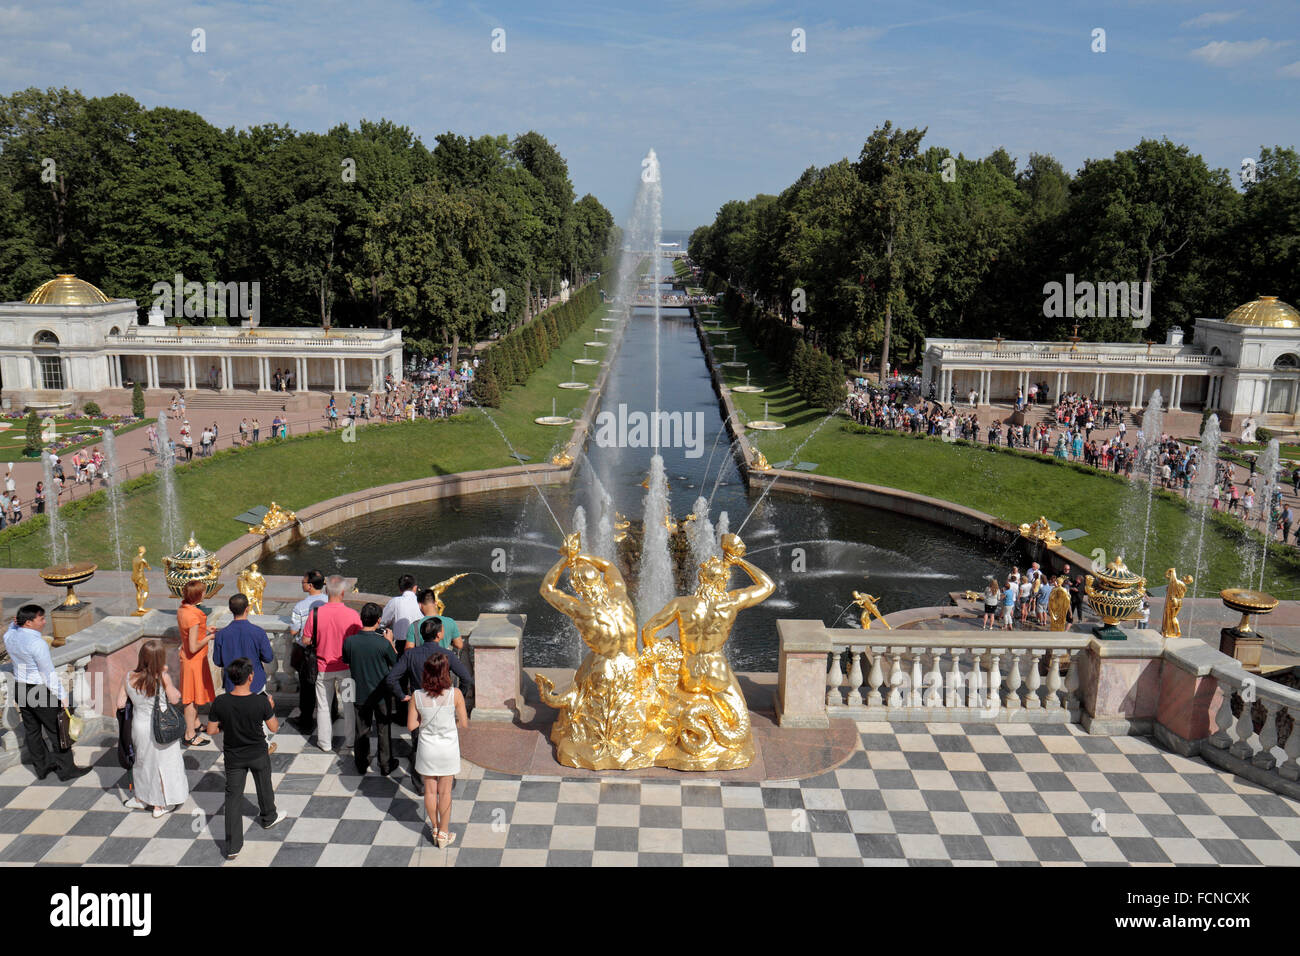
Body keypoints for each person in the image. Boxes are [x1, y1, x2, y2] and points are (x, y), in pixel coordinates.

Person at [205, 658, 283, 860]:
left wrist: (227, 725)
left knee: (232, 799)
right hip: (258, 753)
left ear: (230, 678)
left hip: (234, 757)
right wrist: (271, 707)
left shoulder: (221, 702)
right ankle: (268, 818)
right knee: (264, 785)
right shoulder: (260, 701)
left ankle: (232, 847)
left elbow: (212, 730)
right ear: (250, 677)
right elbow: (274, 728)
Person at [5, 606, 91, 781]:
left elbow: (11, 629)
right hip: (38, 691)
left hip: (20, 688)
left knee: (32, 731)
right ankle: (67, 770)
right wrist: (62, 696)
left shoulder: (10, 636)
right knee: (57, 731)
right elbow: (47, 672)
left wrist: (14, 624)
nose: (45, 622)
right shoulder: (37, 643)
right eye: (41, 619)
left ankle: (42, 768)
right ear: (29, 622)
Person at [385, 617, 473, 785]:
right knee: (446, 740)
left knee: (419, 744)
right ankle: (446, 780)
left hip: (419, 705)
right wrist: (457, 696)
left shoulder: (410, 654)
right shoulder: (446, 654)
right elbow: (466, 678)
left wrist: (403, 696)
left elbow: (391, 678)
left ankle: (420, 784)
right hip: (443, 704)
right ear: (439, 635)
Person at [115, 640, 188, 817]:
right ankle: (160, 805)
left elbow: (120, 704)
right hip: (161, 726)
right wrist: (167, 679)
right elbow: (174, 699)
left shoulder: (128, 676)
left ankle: (141, 799)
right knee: (164, 765)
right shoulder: (162, 678)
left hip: (139, 726)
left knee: (142, 763)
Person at [407, 654, 466, 848]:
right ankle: (444, 833)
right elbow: (464, 723)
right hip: (448, 748)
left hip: (427, 748)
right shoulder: (455, 694)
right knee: (445, 792)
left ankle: (434, 827)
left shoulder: (416, 695)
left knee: (430, 791)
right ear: (445, 672)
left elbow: (411, 726)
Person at [301, 575, 361, 753]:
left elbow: (305, 640)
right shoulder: (352, 614)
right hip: (347, 669)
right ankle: (350, 740)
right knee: (349, 705)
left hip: (323, 668)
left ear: (327, 591)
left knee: (324, 706)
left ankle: (325, 743)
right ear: (343, 592)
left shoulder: (316, 613)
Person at [343, 603, 398, 776]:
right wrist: (390, 641)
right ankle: (385, 764)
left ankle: (361, 763)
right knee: (383, 727)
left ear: (362, 619)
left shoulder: (350, 641)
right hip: (381, 693)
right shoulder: (382, 643)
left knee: (362, 729)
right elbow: (396, 663)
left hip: (359, 691)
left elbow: (346, 660)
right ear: (379, 620)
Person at [177, 579, 216, 746]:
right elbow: (193, 646)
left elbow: (190, 632)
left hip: (190, 660)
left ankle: (196, 724)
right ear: (198, 595)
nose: (205, 593)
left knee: (191, 696)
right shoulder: (193, 616)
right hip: (193, 661)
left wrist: (204, 629)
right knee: (190, 699)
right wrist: (209, 637)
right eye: (203, 591)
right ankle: (190, 734)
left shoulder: (183, 609)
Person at [289, 570, 327, 733]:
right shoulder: (329, 602)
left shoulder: (300, 606)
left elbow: (293, 631)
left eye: (303, 582)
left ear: (310, 586)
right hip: (327, 651)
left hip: (308, 653)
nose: (302, 585)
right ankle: (331, 714)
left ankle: (306, 719)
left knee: (307, 688)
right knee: (327, 685)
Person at [381, 573, 421, 654]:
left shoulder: (395, 601)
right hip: (420, 643)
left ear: (400, 589)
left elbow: (382, 622)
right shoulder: (421, 602)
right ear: (415, 588)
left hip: (401, 645)